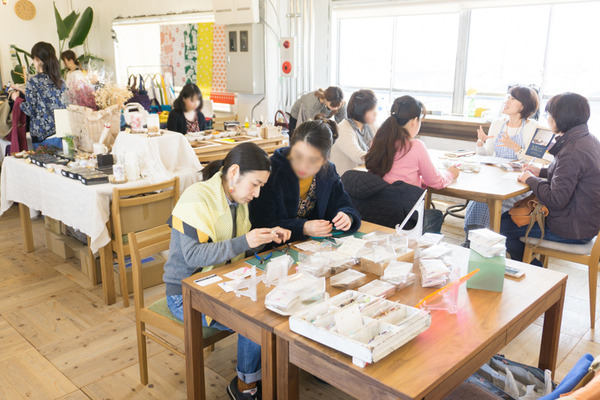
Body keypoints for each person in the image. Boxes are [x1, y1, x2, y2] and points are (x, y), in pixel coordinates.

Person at [162, 142, 291, 399]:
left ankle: (262, 373)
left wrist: (265, 237)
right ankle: (245, 386)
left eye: (261, 186)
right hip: (185, 293)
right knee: (256, 320)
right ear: (233, 173)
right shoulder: (197, 197)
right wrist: (246, 241)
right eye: (255, 184)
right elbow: (193, 256)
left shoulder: (235, 200)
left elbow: (235, 246)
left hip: (219, 282)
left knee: (275, 303)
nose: (257, 193)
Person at [501, 92, 600, 265]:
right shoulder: (588, 139)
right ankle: (531, 268)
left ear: (560, 117)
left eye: (549, 114)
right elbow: (571, 174)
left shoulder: (572, 150)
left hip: (571, 230)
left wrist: (530, 179)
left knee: (503, 225)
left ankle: (534, 272)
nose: (548, 119)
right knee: (508, 220)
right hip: (584, 222)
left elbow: (556, 199)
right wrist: (540, 171)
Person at [249, 116, 361, 242]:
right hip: (277, 247)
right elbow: (262, 224)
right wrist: (303, 228)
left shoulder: (328, 171)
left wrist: (347, 216)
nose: (303, 165)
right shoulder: (272, 172)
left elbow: (342, 203)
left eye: (313, 160)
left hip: (313, 245)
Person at [363, 96, 458, 234]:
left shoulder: (377, 142)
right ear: (414, 121)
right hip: (403, 218)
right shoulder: (416, 146)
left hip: (377, 213)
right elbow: (436, 182)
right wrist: (451, 174)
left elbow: (391, 175)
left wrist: (418, 179)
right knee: (436, 215)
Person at [465, 85, 540, 231]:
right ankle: (472, 237)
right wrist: (480, 144)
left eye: (513, 99)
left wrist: (516, 147)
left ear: (524, 105)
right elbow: (488, 155)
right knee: (479, 200)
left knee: (490, 201)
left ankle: (487, 236)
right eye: (508, 97)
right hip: (495, 178)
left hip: (519, 183)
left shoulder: (533, 127)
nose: (507, 101)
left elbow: (534, 161)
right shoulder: (498, 123)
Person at [10, 42, 67, 148]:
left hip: (42, 136)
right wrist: (25, 92)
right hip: (62, 133)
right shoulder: (60, 81)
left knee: (44, 159)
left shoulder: (33, 81)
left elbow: (30, 110)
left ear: (37, 59)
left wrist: (16, 98)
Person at [331, 89, 377, 175]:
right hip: (345, 179)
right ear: (361, 112)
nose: (375, 113)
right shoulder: (343, 129)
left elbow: (383, 140)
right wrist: (381, 156)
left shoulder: (368, 125)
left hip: (361, 174)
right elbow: (359, 157)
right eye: (372, 110)